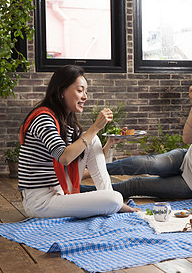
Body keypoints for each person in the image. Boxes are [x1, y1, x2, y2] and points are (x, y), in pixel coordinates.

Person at [18, 64, 138, 218]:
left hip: (60, 189)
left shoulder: (64, 123)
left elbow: (86, 166)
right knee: (114, 198)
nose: (85, 96)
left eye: (86, 92)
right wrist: (95, 128)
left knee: (92, 140)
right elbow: (65, 158)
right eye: (80, 90)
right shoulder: (43, 118)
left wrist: (108, 144)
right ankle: (112, 200)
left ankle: (110, 197)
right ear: (62, 91)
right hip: (40, 201)